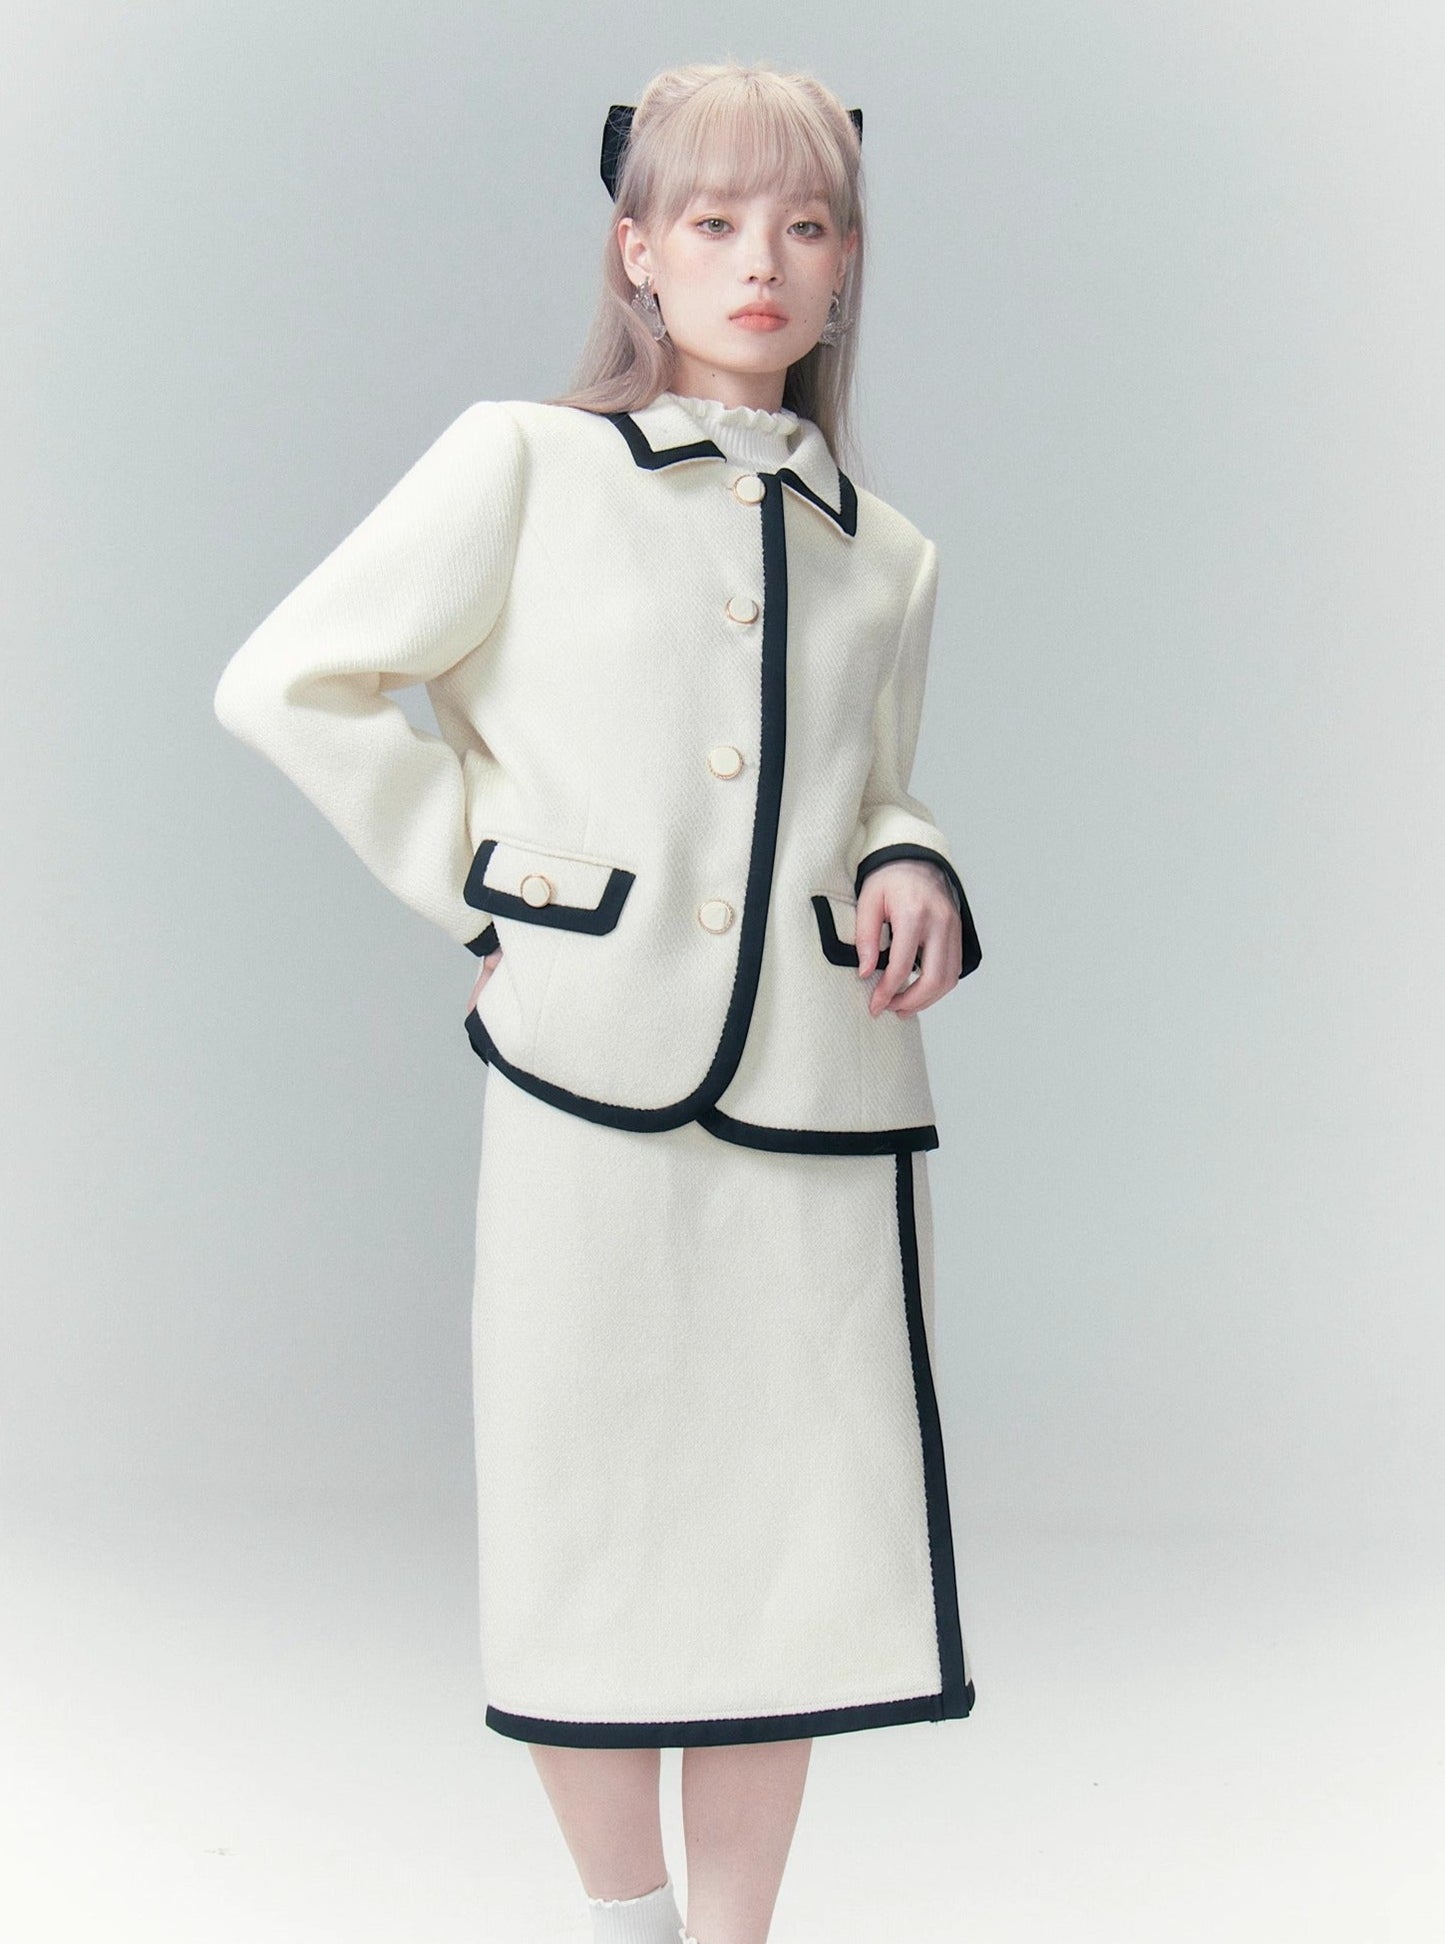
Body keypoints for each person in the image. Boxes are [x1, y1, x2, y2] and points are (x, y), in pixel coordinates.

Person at [213, 56, 982, 1944]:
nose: (758, 262)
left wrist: (914, 862)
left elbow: (868, 784)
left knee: (794, 1563)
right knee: (591, 1535)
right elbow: (290, 682)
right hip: (591, 1081)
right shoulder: (524, 463)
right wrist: (499, 892)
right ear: (636, 250)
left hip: (818, 1099)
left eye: (803, 225)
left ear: (847, 265)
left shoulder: (884, 552)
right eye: (712, 221)